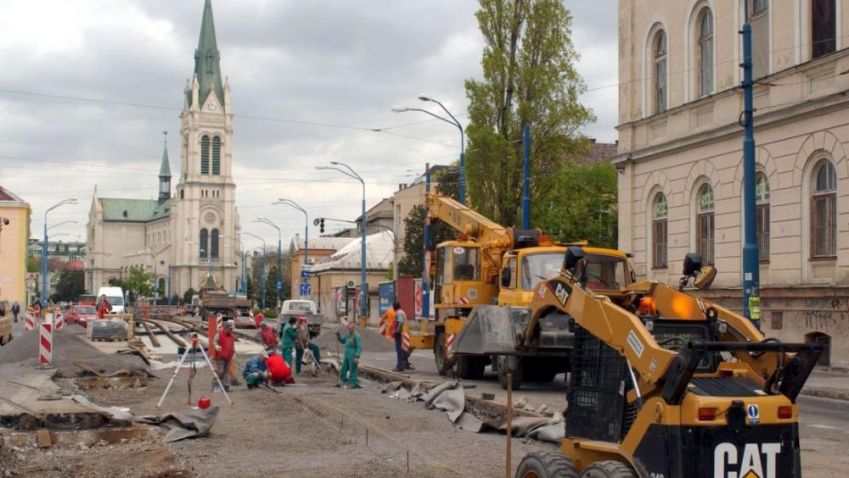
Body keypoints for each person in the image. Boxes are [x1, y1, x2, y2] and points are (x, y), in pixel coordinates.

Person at [336, 322, 362, 389]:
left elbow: (359, 347)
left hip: (353, 355)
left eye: (351, 328)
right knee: (343, 368)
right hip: (346, 354)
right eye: (349, 328)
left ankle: (352, 384)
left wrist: (357, 356)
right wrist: (338, 336)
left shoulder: (356, 336)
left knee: (352, 369)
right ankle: (342, 381)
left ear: (354, 328)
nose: (350, 329)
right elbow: (342, 341)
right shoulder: (347, 335)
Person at [213, 320, 236, 392]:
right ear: (226, 328)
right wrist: (216, 346)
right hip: (220, 357)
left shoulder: (232, 336)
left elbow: (232, 345)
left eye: (232, 329)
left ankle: (226, 386)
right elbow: (214, 342)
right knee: (220, 371)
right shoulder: (219, 334)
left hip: (228, 357)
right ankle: (218, 386)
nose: (231, 330)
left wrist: (233, 352)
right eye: (230, 329)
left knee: (226, 372)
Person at [392, 302, 411, 371]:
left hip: (400, 333)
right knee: (402, 350)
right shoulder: (401, 312)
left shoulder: (399, 313)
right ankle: (402, 365)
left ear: (394, 307)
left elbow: (400, 322)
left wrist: (397, 331)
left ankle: (399, 366)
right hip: (403, 332)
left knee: (399, 350)